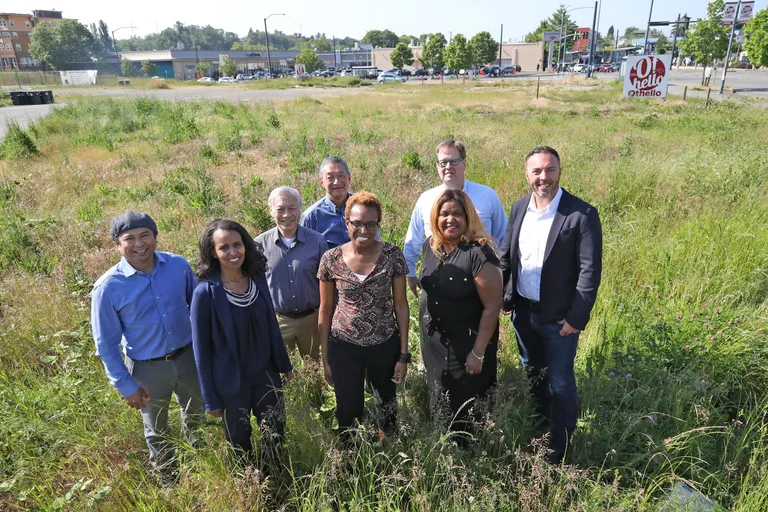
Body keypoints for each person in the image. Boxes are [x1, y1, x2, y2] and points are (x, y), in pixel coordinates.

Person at [499, 146, 603, 464]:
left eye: (549, 169)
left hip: (560, 319)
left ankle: (562, 442)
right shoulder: (518, 208)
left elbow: (589, 272)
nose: (543, 177)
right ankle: (541, 420)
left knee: (560, 380)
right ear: (527, 174)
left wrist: (577, 317)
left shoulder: (581, 214)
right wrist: (505, 297)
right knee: (533, 371)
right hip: (524, 313)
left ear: (559, 171)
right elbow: (507, 255)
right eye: (537, 171)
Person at [91, 211, 202, 486]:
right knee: (157, 430)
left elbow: (200, 307)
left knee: (198, 415)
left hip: (188, 358)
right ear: (118, 244)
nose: (139, 244)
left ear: (155, 236)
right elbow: (106, 345)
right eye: (130, 238)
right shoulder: (108, 287)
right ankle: (170, 482)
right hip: (147, 368)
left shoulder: (177, 265)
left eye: (145, 235)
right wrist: (125, 386)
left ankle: (204, 468)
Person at [191, 219, 293, 467]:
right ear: (213, 253)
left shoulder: (256, 279)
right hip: (231, 380)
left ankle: (275, 474)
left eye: (237, 244)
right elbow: (201, 351)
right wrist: (210, 399)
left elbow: (271, 324)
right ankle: (248, 483)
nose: (232, 252)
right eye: (224, 247)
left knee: (275, 428)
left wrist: (284, 363)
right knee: (238, 436)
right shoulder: (205, 293)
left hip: (265, 372)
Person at [317, 191, 410, 441]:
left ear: (378, 224)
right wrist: (325, 356)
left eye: (371, 224)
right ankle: (350, 460)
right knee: (348, 408)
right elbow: (325, 310)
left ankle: (388, 453)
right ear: (346, 222)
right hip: (344, 345)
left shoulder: (393, 256)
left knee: (387, 406)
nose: (364, 230)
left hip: (384, 343)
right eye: (357, 223)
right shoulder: (330, 260)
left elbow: (401, 306)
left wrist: (403, 355)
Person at [419, 189, 502, 439]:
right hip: (434, 342)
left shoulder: (479, 253)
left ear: (468, 217)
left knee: (466, 406)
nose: (450, 219)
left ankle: (468, 458)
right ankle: (444, 448)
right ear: (435, 217)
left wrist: (478, 353)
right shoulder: (431, 246)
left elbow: (492, 307)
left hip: (467, 343)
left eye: (457, 213)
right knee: (439, 397)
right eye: (444, 213)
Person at [255, 186, 329, 361]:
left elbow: (327, 283)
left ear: (300, 210)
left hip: (311, 320)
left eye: (292, 208)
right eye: (280, 209)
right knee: (282, 375)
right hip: (278, 321)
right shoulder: (259, 245)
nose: (286, 215)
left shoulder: (317, 241)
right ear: (271, 211)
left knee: (314, 371)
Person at [301, 156, 353, 249]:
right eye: (330, 177)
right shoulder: (311, 217)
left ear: (349, 178)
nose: (336, 182)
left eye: (341, 176)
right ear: (322, 182)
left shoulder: (363, 206)